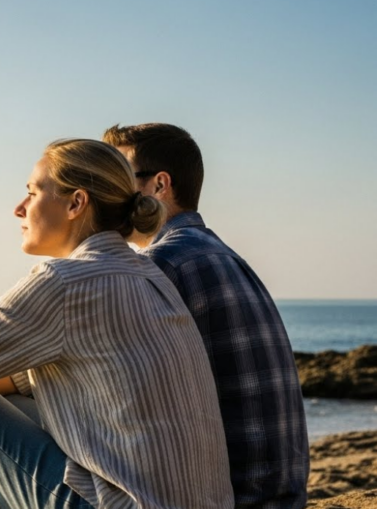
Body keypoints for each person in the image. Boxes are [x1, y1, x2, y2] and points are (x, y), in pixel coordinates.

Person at [0, 139, 233, 509]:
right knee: (6, 406)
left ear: (76, 203)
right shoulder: (149, 278)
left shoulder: (65, 280)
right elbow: (26, 381)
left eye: (32, 192)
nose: (19, 208)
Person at [102, 123, 309, 509]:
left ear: (158, 185)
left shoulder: (161, 264)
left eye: (118, 177)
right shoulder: (220, 254)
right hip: (279, 497)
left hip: (232, 499)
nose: (107, 189)